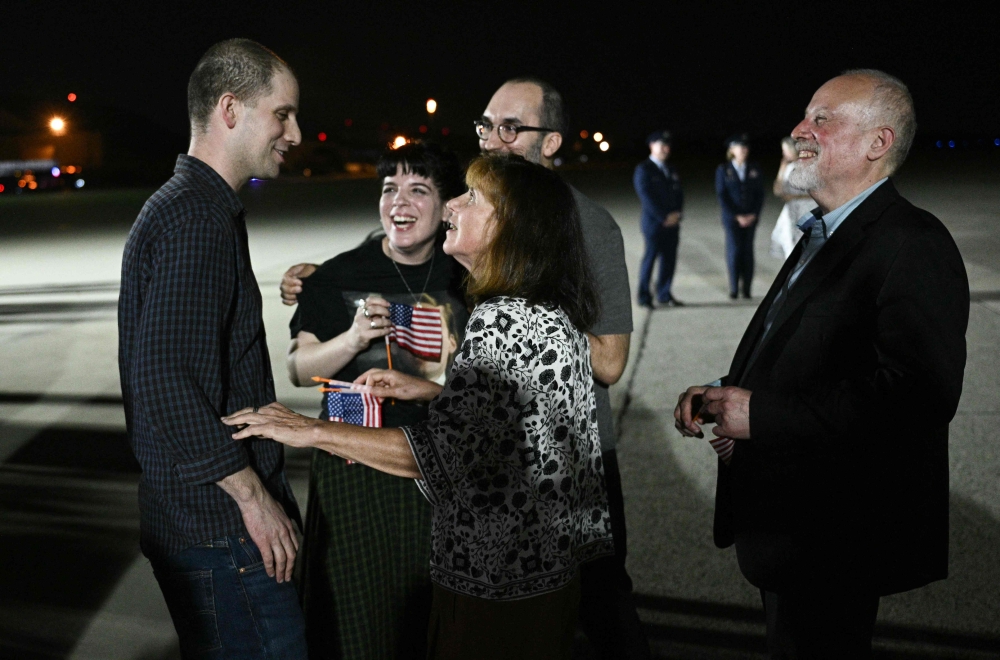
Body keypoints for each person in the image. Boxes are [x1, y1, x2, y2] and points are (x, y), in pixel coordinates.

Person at [283, 77, 644, 658]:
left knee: (602, 613)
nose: (491, 140)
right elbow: (495, 406)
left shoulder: (520, 304)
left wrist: (310, 430)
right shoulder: (516, 306)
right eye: (484, 126)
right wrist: (324, 281)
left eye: (510, 128)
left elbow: (451, 449)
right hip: (533, 539)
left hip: (504, 553)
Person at [224, 153, 614, 660]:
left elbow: (437, 455)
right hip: (544, 573)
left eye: (471, 197)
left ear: (509, 227)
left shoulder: (501, 322)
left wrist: (307, 430)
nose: (453, 203)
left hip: (496, 580)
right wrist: (433, 392)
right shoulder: (544, 308)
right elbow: (521, 422)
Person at [674, 70, 970, 658]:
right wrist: (725, 392)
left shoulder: (913, 242)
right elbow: (815, 355)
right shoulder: (823, 232)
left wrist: (764, 416)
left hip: (836, 537)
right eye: (806, 115)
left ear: (877, 143)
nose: (798, 130)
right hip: (790, 528)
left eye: (822, 119)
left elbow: (920, 396)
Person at [118, 39, 307, 658]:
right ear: (231, 109)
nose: (296, 133)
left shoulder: (191, 208)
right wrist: (254, 500)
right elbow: (166, 377)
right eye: (282, 114)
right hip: (222, 533)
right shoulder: (196, 218)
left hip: (205, 526)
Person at [286, 142, 467, 659]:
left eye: (418, 188)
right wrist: (352, 339)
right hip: (354, 466)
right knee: (355, 619)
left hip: (438, 464)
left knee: (437, 618)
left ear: (447, 203)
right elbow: (300, 369)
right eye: (389, 189)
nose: (399, 202)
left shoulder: (467, 276)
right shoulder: (338, 275)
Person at [634, 130, 684, 308]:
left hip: (672, 224)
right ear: (651, 146)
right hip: (654, 224)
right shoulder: (644, 169)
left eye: (667, 145)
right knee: (650, 259)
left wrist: (678, 214)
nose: (664, 148)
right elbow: (646, 197)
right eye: (660, 145)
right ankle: (644, 297)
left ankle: (664, 294)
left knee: (669, 261)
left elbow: (679, 194)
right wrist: (664, 217)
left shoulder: (671, 169)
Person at [715, 134, 765, 299]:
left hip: (750, 218)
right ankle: (734, 288)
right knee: (734, 252)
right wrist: (736, 216)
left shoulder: (754, 168)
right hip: (732, 219)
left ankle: (747, 289)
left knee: (748, 252)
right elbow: (722, 196)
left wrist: (753, 215)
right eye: (739, 147)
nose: (743, 150)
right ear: (732, 150)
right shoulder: (724, 170)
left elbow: (760, 195)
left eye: (745, 147)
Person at [769, 136, 815, 259]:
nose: (784, 153)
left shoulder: (809, 167)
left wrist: (795, 196)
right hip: (791, 211)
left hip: (807, 210)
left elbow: (817, 192)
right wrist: (781, 169)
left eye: (785, 150)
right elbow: (778, 191)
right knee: (790, 243)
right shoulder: (788, 167)